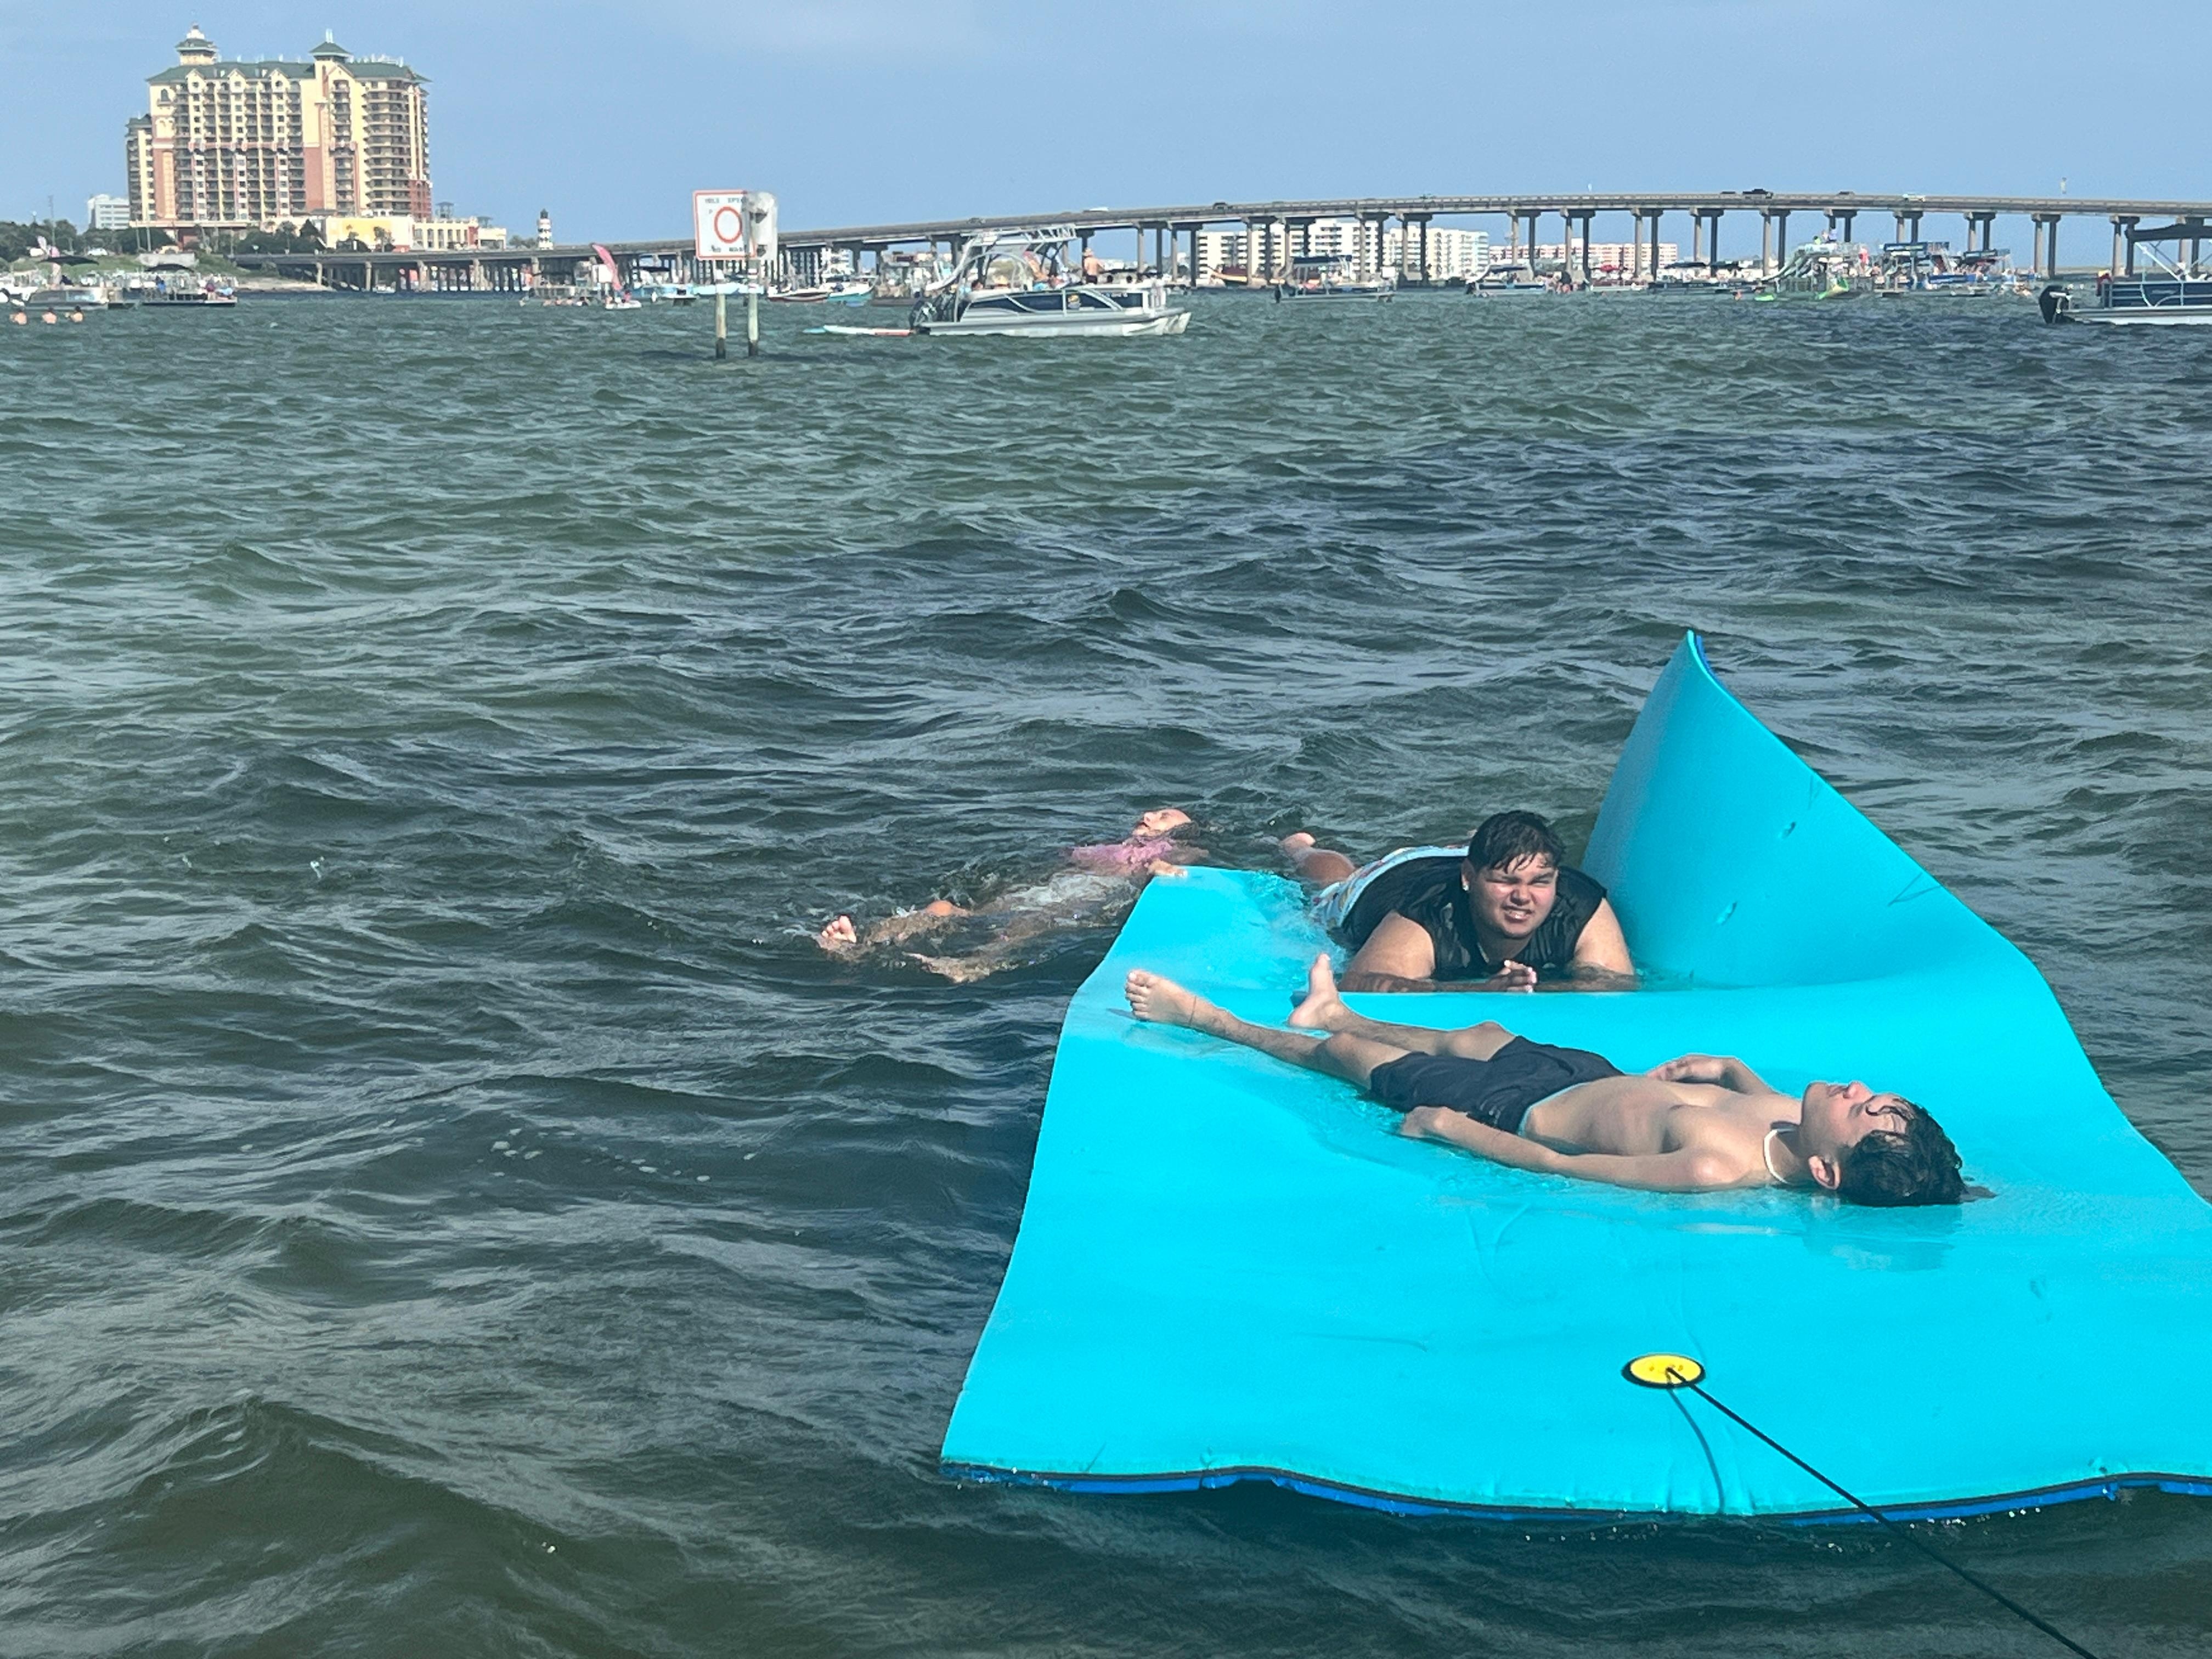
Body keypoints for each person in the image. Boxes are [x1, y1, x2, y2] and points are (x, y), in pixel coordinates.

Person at [1121, 955, 1965, 1205]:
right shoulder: (1785, 1117)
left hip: (1517, 1111)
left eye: (1862, 1112)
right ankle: (1335, 1007)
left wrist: (1460, 1132)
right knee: (1477, 1034)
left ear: (1826, 1172)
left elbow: (1566, 1166)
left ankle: (1211, 1020)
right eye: (1877, 1096)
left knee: (1351, 1062)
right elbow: (1750, 1092)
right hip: (1586, 1073)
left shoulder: (1715, 1168)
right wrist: (1729, 1069)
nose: (1857, 1089)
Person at [817, 808, 1204, 982]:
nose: (1149, 816)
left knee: (1025, 927)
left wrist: (1161, 867)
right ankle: (863, 941)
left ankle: (973, 966)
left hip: (1075, 906)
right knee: (943, 908)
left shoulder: (1171, 849)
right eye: (1151, 812)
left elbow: (1176, 865)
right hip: (1034, 895)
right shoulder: (1110, 848)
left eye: (1164, 816)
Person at [1282, 810, 1634, 992]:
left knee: (1505, 858)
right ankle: (1298, 847)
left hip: (1471, 861)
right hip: (1390, 880)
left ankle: (1478, 849)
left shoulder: (1579, 905)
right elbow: (1360, 984)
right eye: (1506, 882)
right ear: (1470, 878)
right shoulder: (1426, 916)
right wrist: (1477, 990)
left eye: (1540, 882)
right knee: (1335, 881)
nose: (1523, 897)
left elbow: (1615, 987)